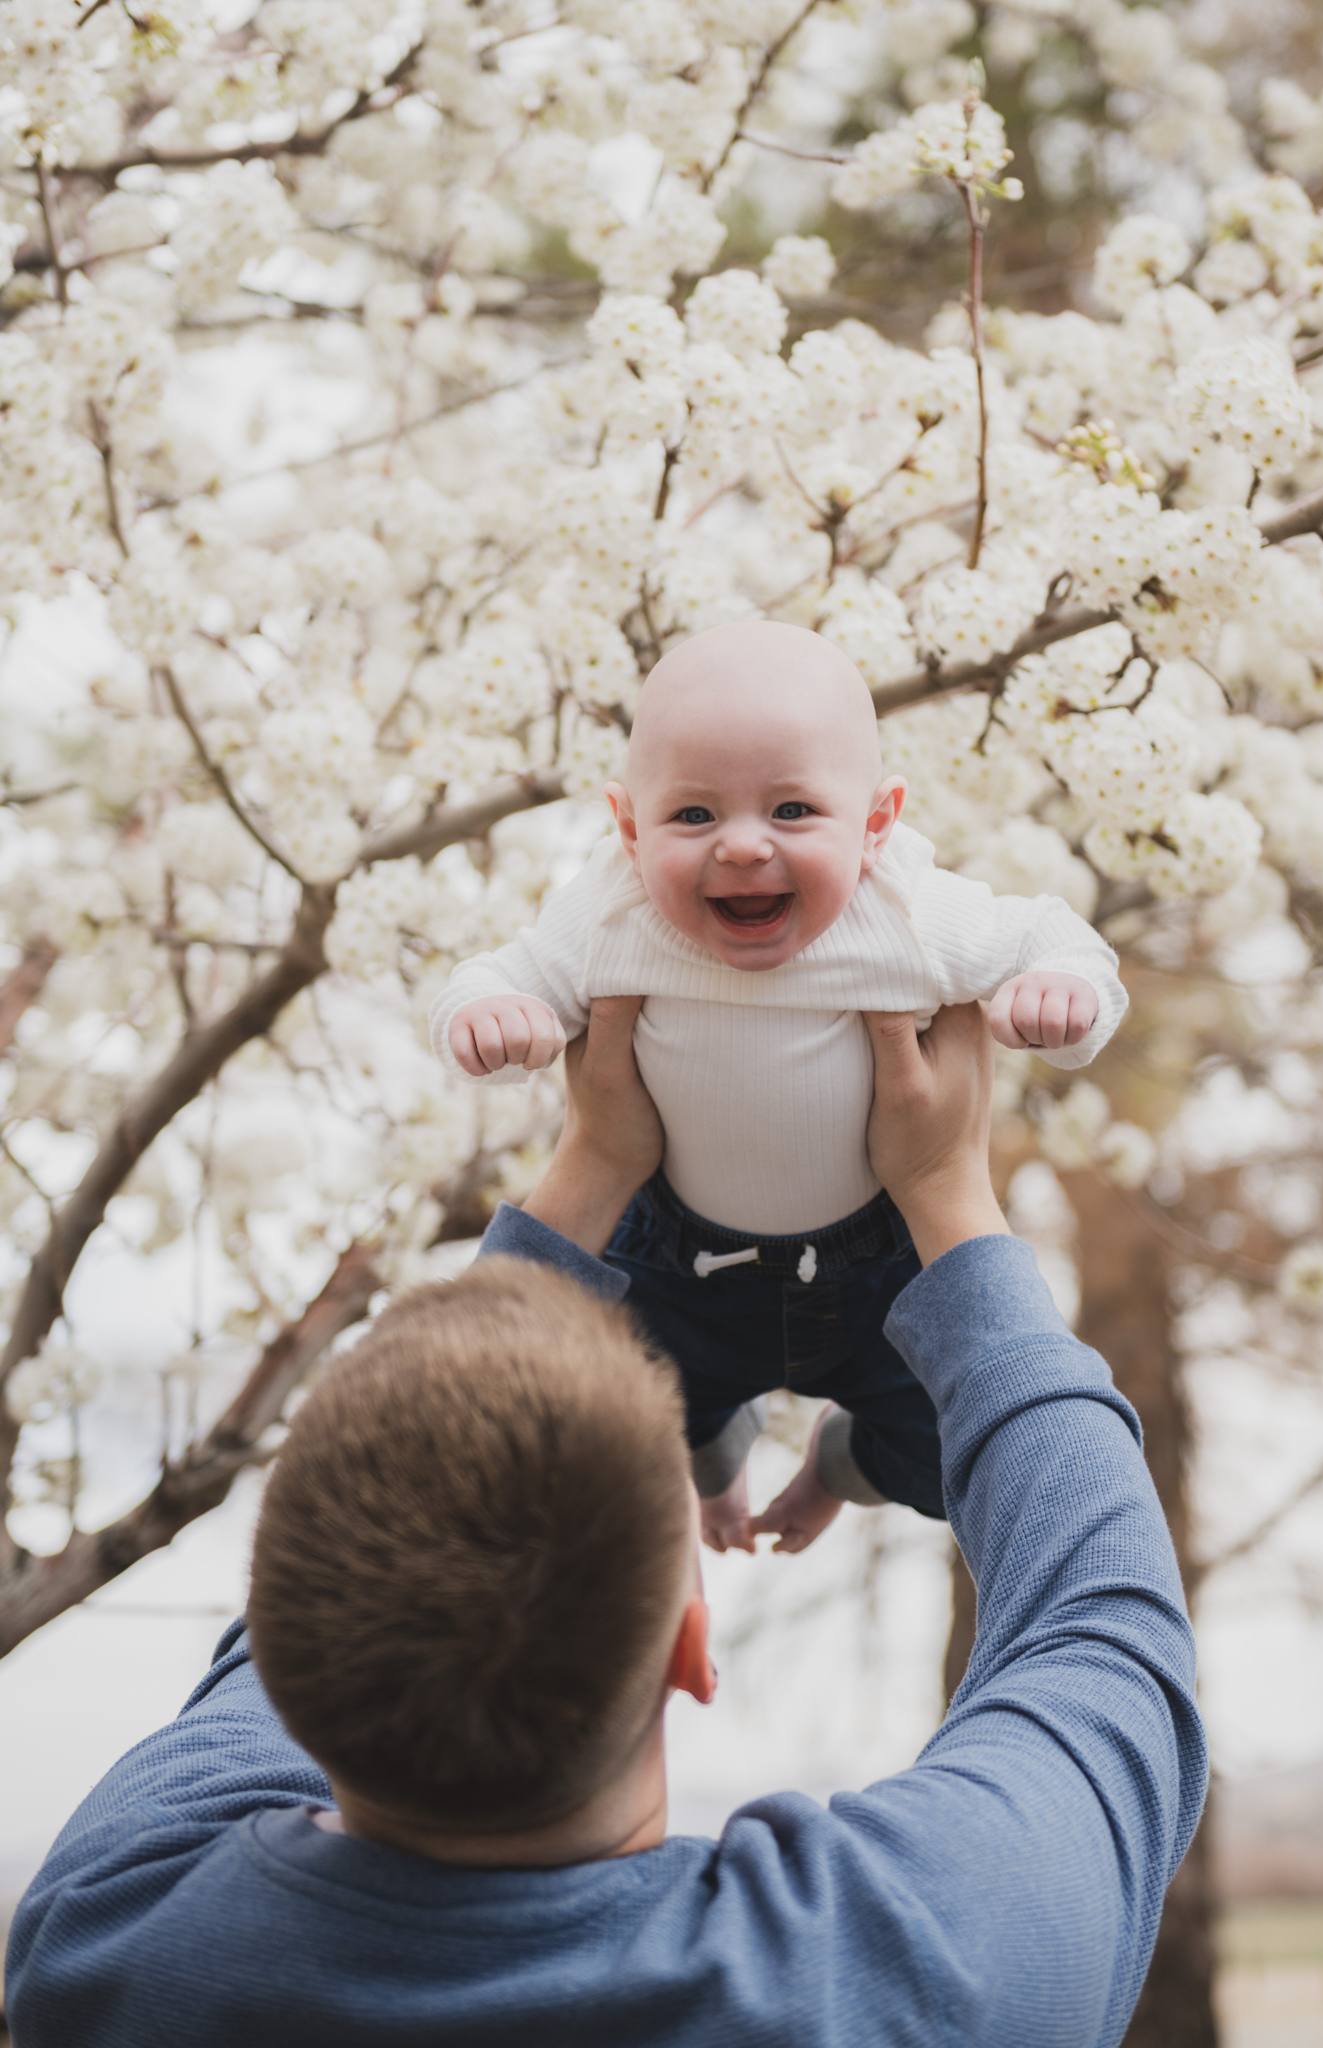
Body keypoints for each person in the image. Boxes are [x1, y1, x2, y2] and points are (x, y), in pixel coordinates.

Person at [5, 994, 1204, 2048]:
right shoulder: (905, 1981)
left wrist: (590, 1166)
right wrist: (946, 1188)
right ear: (692, 1645)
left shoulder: (109, 1946)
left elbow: (1102, 1636)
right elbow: (1099, 1636)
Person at [433, 619, 1127, 1552]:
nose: (744, 847)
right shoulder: (611, 912)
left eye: (792, 811)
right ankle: (713, 1455)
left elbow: (1057, 940)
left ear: (877, 824)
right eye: (694, 816)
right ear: (629, 829)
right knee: (611, 1429)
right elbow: (498, 974)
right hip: (674, 1263)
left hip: (881, 1264)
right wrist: (491, 1016)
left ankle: (844, 1464)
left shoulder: (908, 913)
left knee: (949, 1453)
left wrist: (1064, 996)